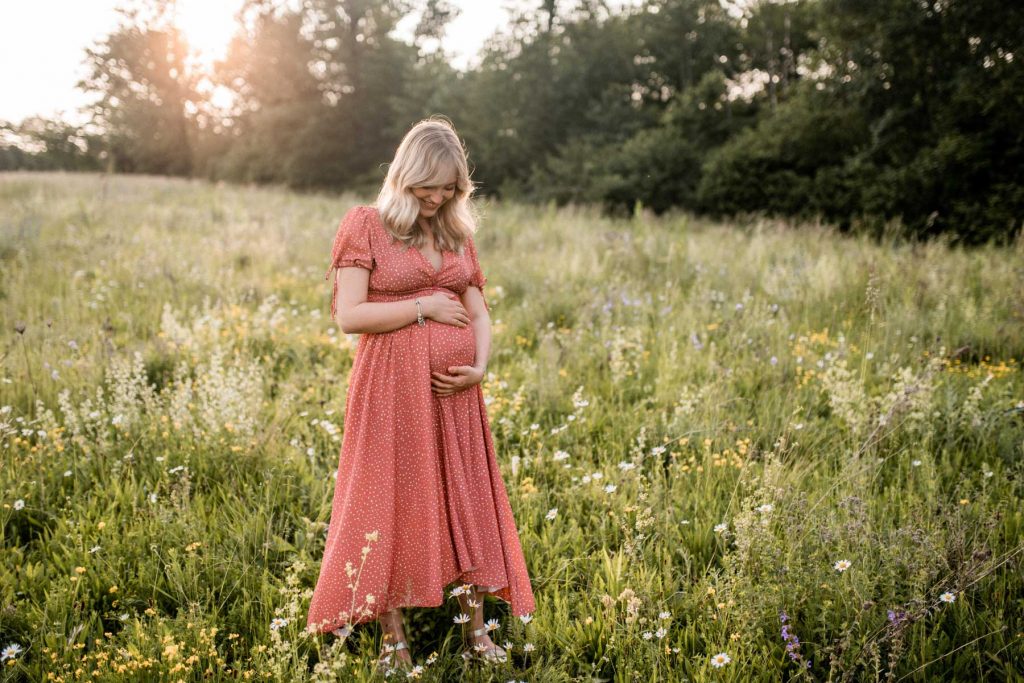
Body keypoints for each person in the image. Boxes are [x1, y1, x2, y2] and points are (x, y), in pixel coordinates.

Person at [305, 116, 536, 673]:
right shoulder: (366, 225)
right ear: (405, 176)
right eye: (428, 185)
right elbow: (349, 316)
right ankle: (394, 639)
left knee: (466, 499)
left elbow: (479, 310)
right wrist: (423, 308)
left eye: (450, 187)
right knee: (388, 499)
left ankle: (476, 631)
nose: (438, 196)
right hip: (390, 390)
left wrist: (479, 366)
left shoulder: (456, 234)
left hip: (455, 395)